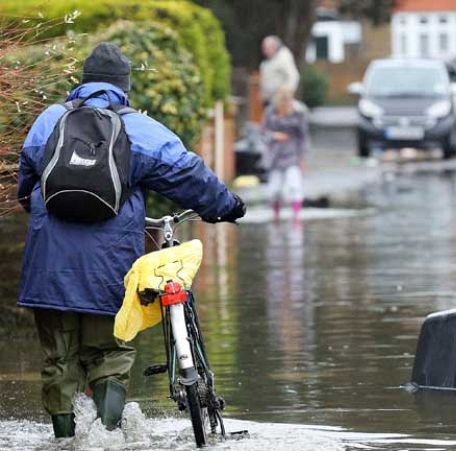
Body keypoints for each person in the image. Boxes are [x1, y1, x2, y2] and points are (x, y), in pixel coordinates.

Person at [16, 42, 246, 438]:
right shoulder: (136, 127)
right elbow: (186, 173)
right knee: (109, 354)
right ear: (125, 87)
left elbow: (26, 189)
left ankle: (65, 440)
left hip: (47, 268)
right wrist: (226, 205)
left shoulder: (49, 120)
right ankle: (104, 439)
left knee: (59, 360)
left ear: (82, 83)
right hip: (110, 271)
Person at [262, 86, 309, 223]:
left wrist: (302, 157)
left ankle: (296, 216)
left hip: (292, 155)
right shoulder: (270, 113)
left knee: (294, 185)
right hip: (275, 156)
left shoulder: (298, 114)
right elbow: (263, 133)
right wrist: (274, 136)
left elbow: (303, 137)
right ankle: (276, 214)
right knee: (274, 190)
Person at [259, 35, 299, 108]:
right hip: (268, 100)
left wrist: (286, 95)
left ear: (274, 47)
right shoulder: (269, 61)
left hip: (279, 101)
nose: (264, 51)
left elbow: (293, 76)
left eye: (266, 48)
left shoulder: (283, 58)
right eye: (263, 48)